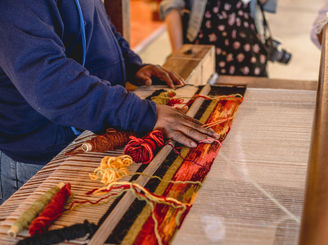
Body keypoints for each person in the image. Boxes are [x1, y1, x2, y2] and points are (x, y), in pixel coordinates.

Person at [0, 0, 219, 204]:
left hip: (87, 134)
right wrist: (142, 114)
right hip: (41, 154)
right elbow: (48, 82)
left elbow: (97, 22)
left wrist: (130, 64)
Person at [160, 0, 277, 77]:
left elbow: (266, 2)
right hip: (207, 47)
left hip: (248, 50)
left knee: (249, 100)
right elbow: (171, 6)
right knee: (204, 102)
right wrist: (178, 56)